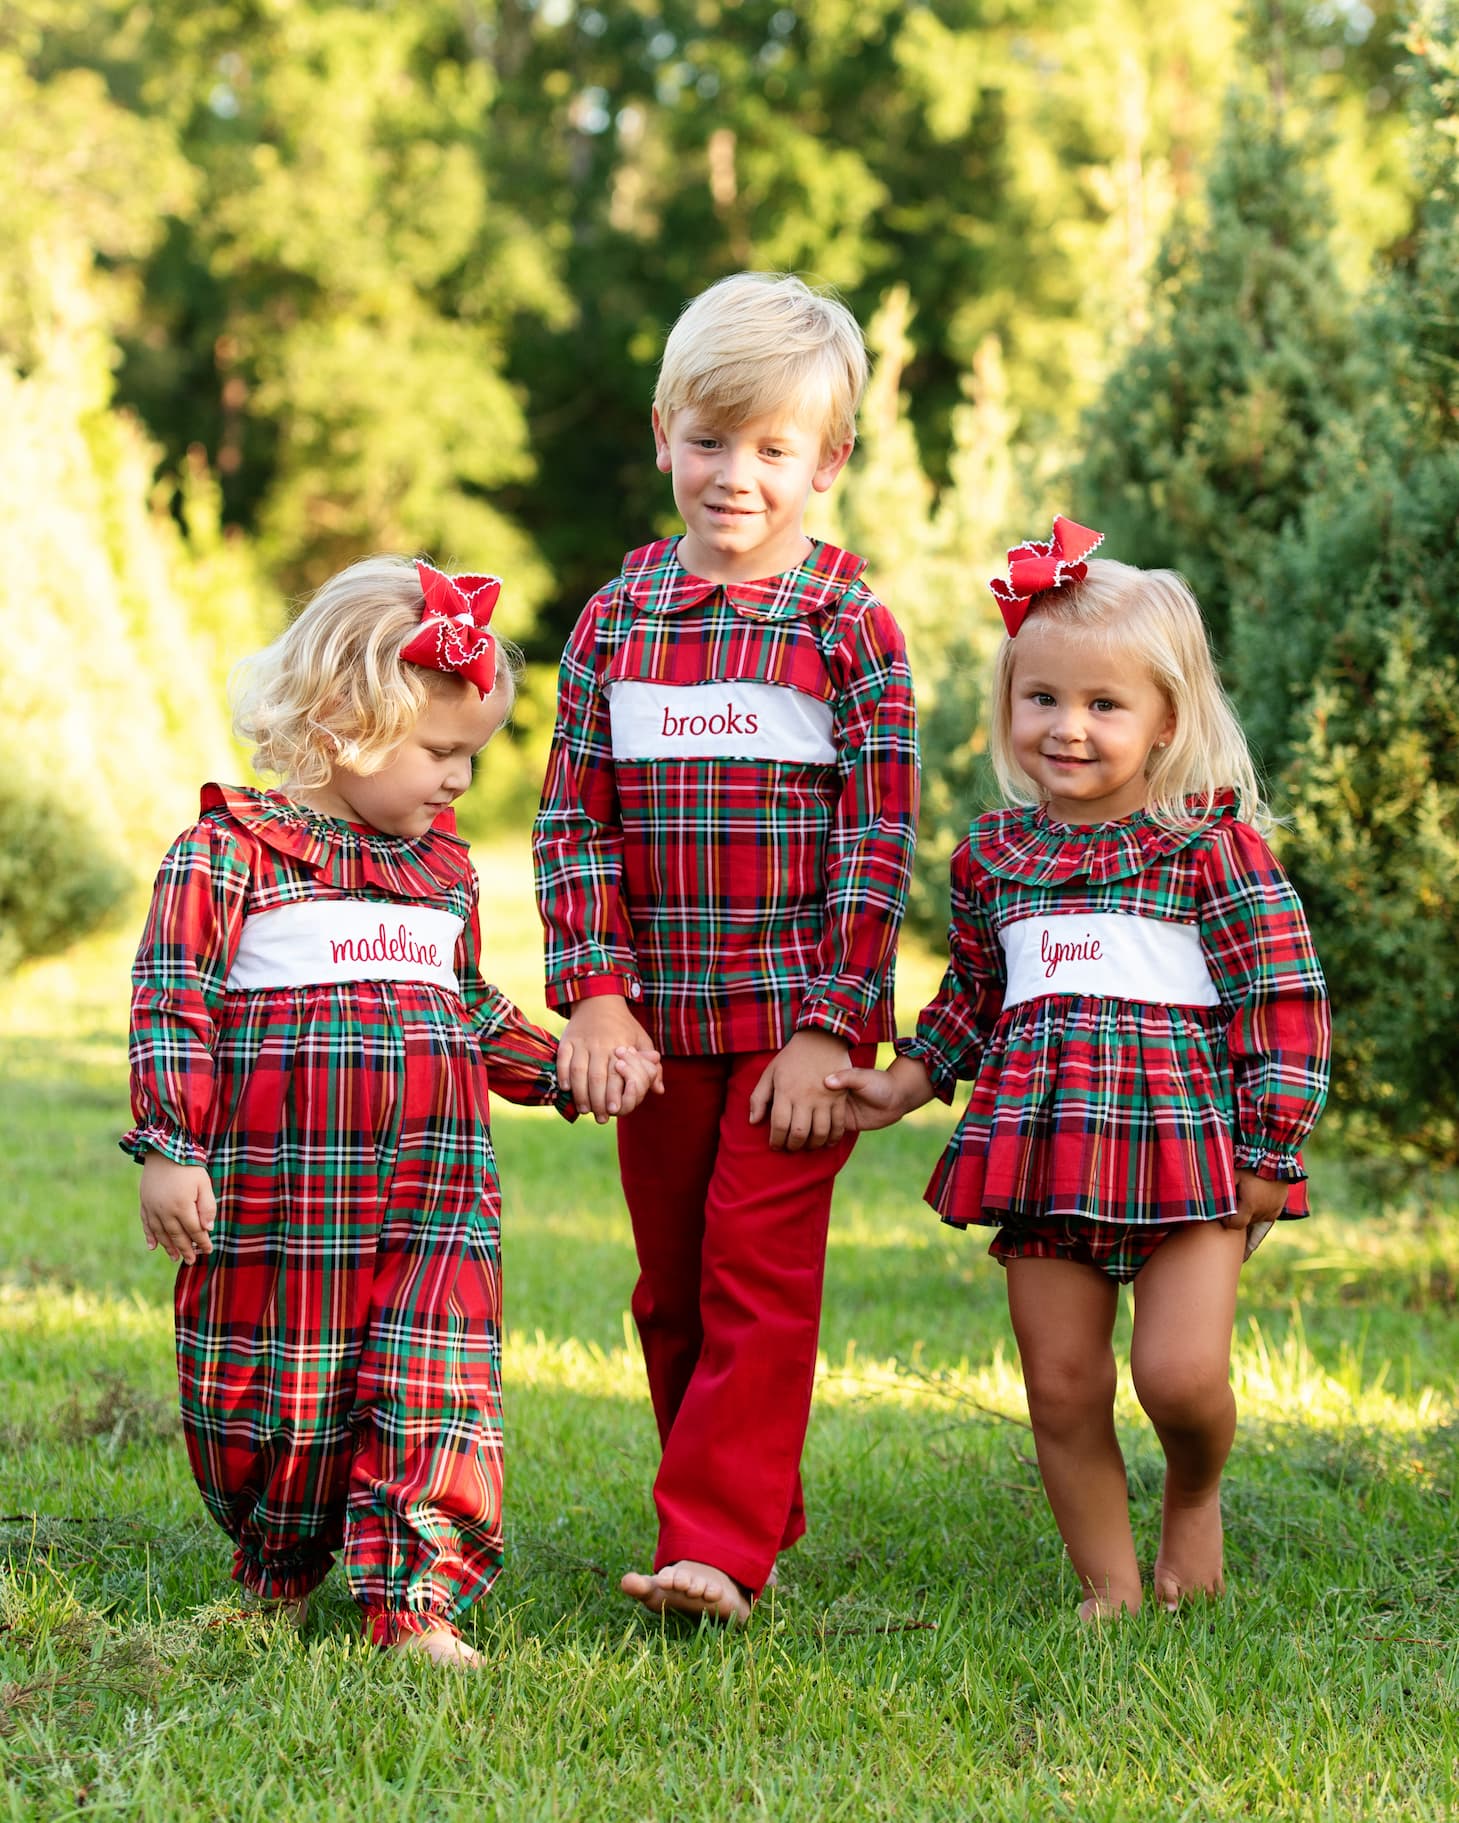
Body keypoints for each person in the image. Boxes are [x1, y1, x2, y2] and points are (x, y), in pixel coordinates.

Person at [122, 555, 657, 1666]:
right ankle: (276, 1559)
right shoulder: (228, 855)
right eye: (438, 752)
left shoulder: (442, 873)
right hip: (283, 1203)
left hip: (436, 1193)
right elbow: (173, 1001)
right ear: (341, 720)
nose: (459, 779)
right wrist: (170, 1146)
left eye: (472, 755)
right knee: (280, 1392)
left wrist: (559, 1070)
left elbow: (465, 1004)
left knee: (435, 1379)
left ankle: (417, 1600)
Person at [827, 518, 1330, 1620]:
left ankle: (1192, 1495)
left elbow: (1283, 998)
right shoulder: (994, 858)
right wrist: (906, 1079)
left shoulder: (1208, 850)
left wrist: (1270, 1149)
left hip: (1188, 1153)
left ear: (1164, 723)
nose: (1067, 726)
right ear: (1008, 704)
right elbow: (974, 995)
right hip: (1043, 1149)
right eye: (1042, 697)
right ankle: (1110, 1586)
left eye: (1105, 705)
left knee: (1178, 1378)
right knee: (1060, 1383)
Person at [533, 272, 920, 1623]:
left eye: (772, 448)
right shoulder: (614, 622)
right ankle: (744, 1496)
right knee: (673, 1288)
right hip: (654, 1022)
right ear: (662, 436)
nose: (734, 475)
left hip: (788, 1026)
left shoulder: (849, 629)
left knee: (754, 1271)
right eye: (708, 439)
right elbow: (571, 822)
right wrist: (593, 996)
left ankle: (713, 1541)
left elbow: (876, 841)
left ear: (829, 460)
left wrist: (830, 1025)